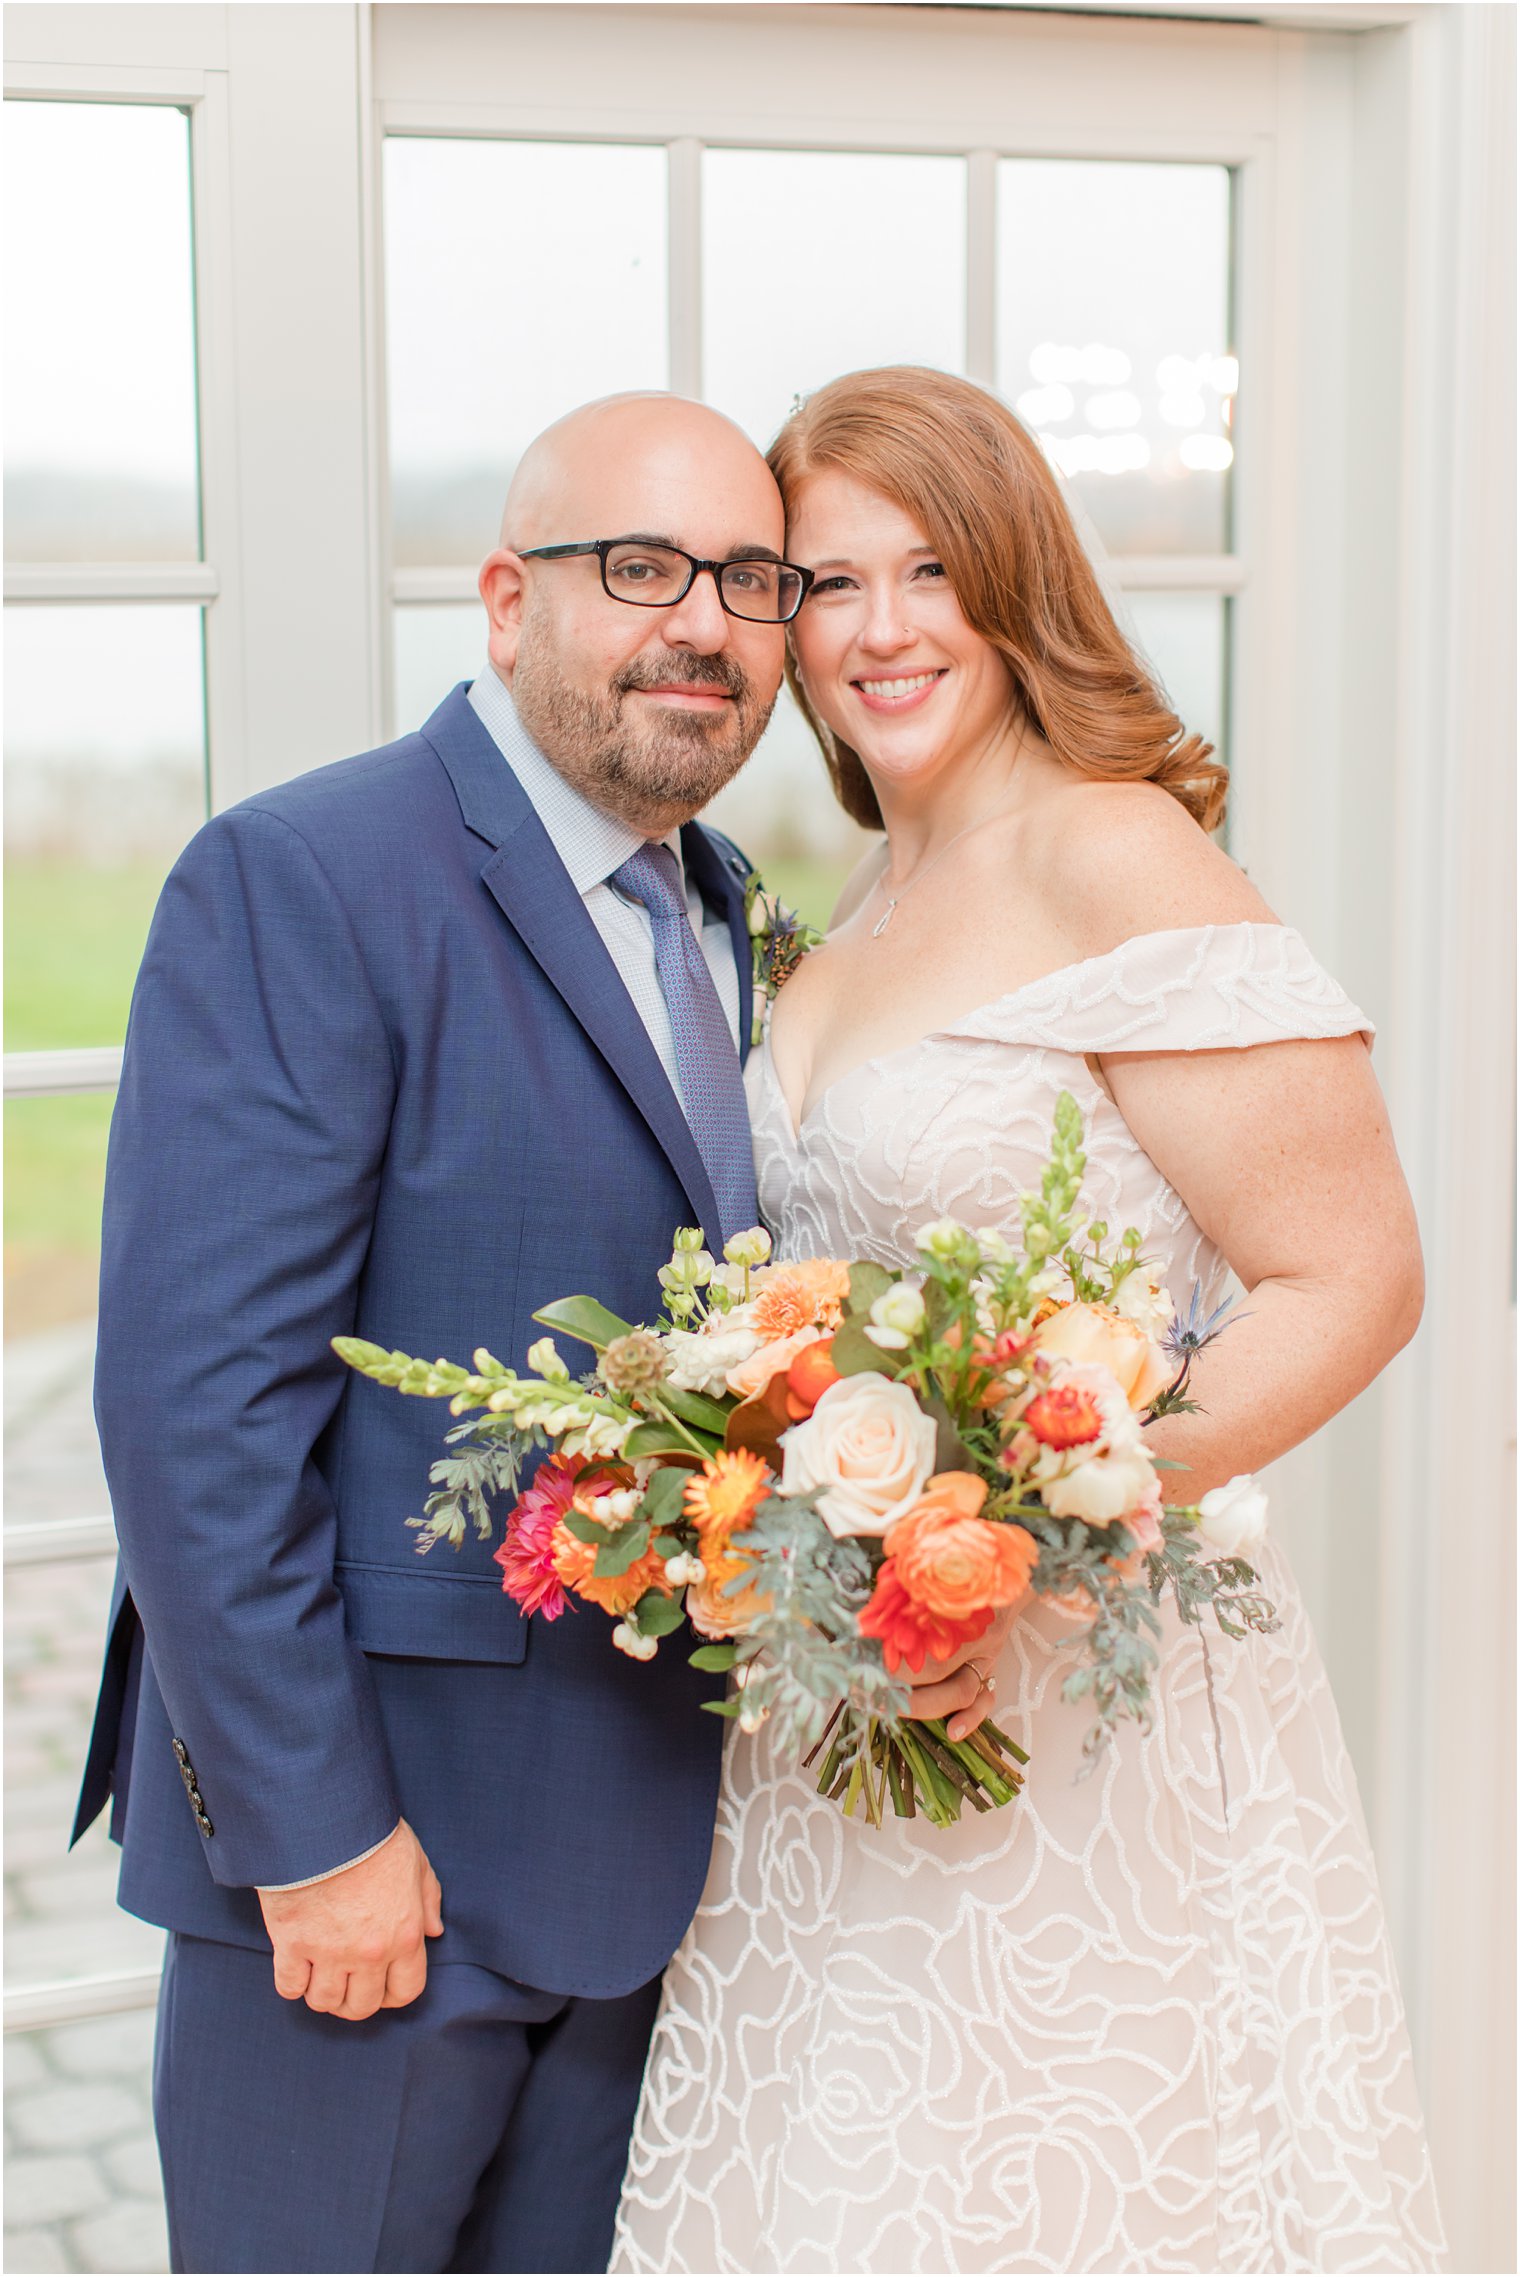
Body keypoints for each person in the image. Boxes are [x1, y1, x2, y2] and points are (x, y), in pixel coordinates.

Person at [612, 368, 1448, 2274]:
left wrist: (1023, 1560)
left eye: (932, 571)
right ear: (778, 623)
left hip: (1083, 1705)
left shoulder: (1114, 850)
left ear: (1015, 586)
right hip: (848, 1724)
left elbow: (1356, 1275)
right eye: (828, 583)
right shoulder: (852, 898)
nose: (884, 628)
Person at [73, 392, 808, 2274]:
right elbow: (197, 1409)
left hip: (646, 1871)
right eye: (639, 567)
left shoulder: (717, 905)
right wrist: (313, 1839)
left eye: (753, 578)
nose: (705, 623)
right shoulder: (305, 877)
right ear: (505, 600)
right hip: (372, 1884)